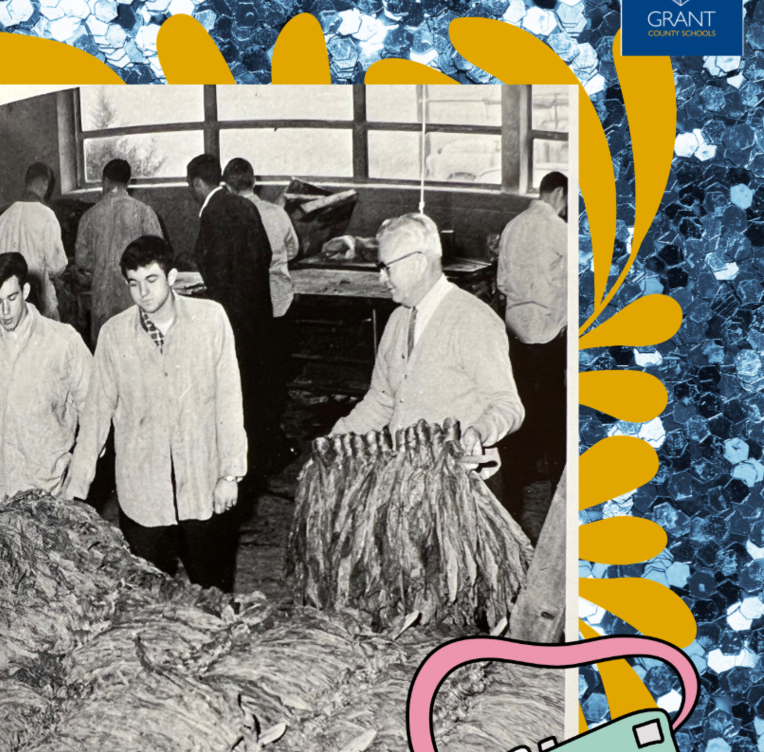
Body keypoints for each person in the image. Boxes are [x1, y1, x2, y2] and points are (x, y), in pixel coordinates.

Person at [66, 235, 246, 592]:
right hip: (143, 491)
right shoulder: (114, 335)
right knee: (147, 598)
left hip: (200, 481)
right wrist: (76, 486)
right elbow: (97, 414)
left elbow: (229, 399)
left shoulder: (210, 320)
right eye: (133, 283)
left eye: (151, 280)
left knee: (212, 591)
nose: (143, 292)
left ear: (172, 276)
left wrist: (230, 474)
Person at [331, 213, 523, 483]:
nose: (381, 278)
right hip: (409, 479)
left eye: (387, 267)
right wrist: (335, 438)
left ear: (418, 263)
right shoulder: (398, 319)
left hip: (463, 482)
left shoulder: (472, 319)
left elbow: (508, 405)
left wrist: (480, 431)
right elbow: (381, 400)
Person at [0, 252, 93, 510]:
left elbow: (93, 412)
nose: (5, 311)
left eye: (12, 298)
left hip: (54, 489)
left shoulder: (63, 341)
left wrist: (77, 482)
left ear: (25, 291)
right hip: (2, 491)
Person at [186, 153, 274, 480]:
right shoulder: (245, 205)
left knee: (233, 392)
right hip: (257, 314)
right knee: (255, 388)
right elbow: (264, 254)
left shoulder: (212, 213)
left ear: (197, 183)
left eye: (191, 186)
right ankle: (260, 458)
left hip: (231, 319)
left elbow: (216, 270)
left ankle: (238, 465)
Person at [497, 171, 568, 509]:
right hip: (548, 331)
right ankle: (556, 478)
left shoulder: (512, 226)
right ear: (559, 193)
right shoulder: (557, 228)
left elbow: (501, 282)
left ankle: (518, 475)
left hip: (515, 330)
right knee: (553, 406)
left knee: (521, 402)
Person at [74, 157, 163, 345]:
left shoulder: (89, 216)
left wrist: (102, 266)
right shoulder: (145, 212)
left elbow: (82, 260)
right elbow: (159, 255)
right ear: (128, 182)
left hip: (103, 299)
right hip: (137, 296)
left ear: (105, 181)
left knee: (106, 351)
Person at [222, 157, 299, 319]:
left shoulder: (225, 218)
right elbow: (293, 251)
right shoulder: (278, 212)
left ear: (227, 187)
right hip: (281, 300)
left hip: (246, 307)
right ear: (254, 182)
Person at [0, 161, 68, 320]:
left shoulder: (4, 217)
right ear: (45, 183)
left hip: (11, 305)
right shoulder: (47, 215)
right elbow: (57, 265)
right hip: (41, 303)